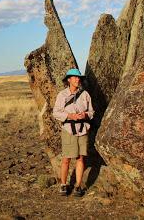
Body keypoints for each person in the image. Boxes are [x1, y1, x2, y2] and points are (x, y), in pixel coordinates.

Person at [52, 68, 94, 197]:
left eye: (79, 78)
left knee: (80, 158)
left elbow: (92, 112)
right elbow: (56, 112)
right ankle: (63, 185)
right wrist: (70, 116)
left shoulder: (85, 94)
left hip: (83, 129)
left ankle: (77, 186)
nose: (78, 79)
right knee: (66, 159)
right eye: (75, 77)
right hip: (68, 130)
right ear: (69, 80)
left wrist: (85, 114)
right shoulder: (62, 95)